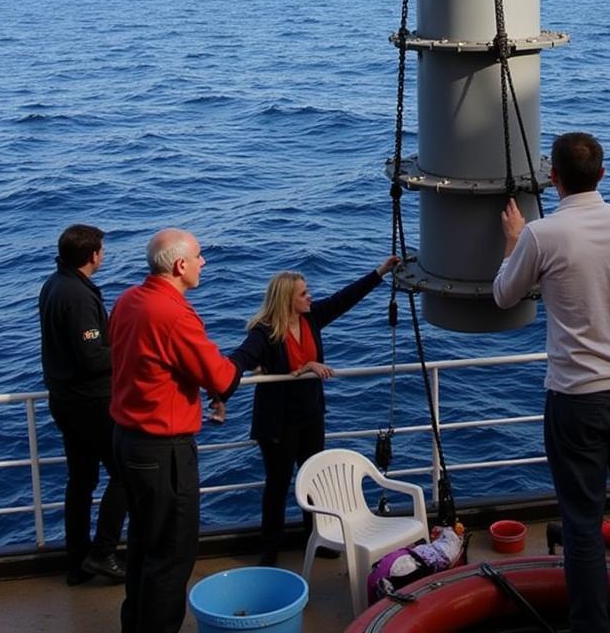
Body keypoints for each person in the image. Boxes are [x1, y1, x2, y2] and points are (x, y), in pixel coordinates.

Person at [493, 131, 610, 633]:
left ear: (554, 177)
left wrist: (512, 243)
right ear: (603, 175)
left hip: (577, 398)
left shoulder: (542, 234)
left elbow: (505, 295)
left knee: (583, 525)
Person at [109, 228, 242, 633]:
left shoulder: (129, 300)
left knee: (142, 545)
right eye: (199, 257)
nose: (204, 263)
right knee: (171, 553)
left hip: (126, 441)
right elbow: (220, 377)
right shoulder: (173, 314)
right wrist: (245, 357)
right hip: (162, 451)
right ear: (181, 265)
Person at [229, 255, 399, 566]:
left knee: (313, 482)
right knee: (278, 485)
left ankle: (318, 538)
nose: (311, 297)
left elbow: (345, 298)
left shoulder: (311, 318)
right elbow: (241, 357)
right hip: (278, 423)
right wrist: (221, 389)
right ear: (287, 301)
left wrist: (380, 272)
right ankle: (270, 549)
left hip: (310, 416)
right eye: (304, 294)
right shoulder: (265, 333)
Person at [38, 223, 127, 586]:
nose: (103, 255)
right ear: (92, 255)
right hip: (90, 402)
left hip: (64, 399)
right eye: (101, 250)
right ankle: (103, 551)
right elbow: (91, 357)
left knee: (81, 481)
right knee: (124, 473)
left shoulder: (53, 285)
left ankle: (76, 561)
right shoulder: (76, 294)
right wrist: (126, 349)